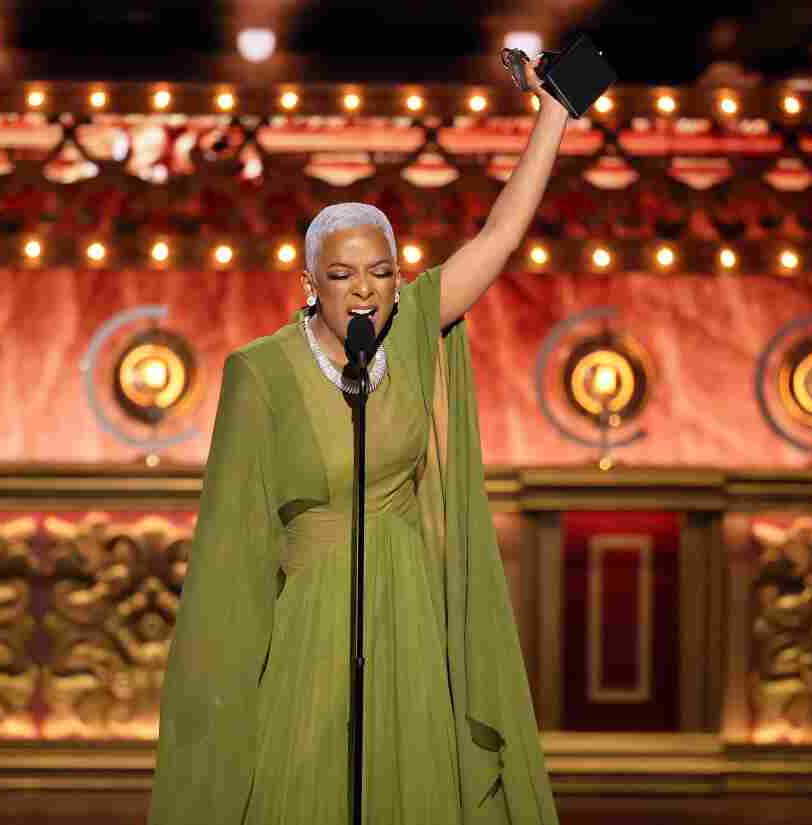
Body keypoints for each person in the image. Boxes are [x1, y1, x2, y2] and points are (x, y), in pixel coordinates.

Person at [148, 58, 568, 825]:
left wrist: (555, 112)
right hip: (310, 622)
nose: (365, 287)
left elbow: (502, 234)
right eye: (342, 274)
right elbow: (232, 548)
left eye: (380, 270)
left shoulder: (412, 332)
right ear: (311, 282)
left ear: (400, 279)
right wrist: (222, 694)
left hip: (408, 608)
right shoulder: (261, 373)